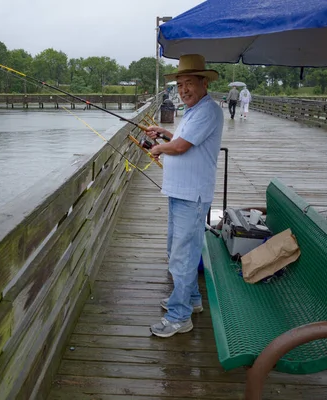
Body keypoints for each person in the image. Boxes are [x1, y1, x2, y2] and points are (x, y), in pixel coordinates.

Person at [144, 54, 224, 338]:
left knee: (183, 255)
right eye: (179, 85)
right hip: (180, 192)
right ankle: (191, 300)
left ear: (204, 82)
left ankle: (180, 317)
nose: (183, 90)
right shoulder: (193, 111)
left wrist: (159, 148)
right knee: (179, 250)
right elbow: (181, 140)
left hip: (193, 194)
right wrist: (165, 133)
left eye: (188, 83)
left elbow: (180, 148)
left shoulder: (208, 110)